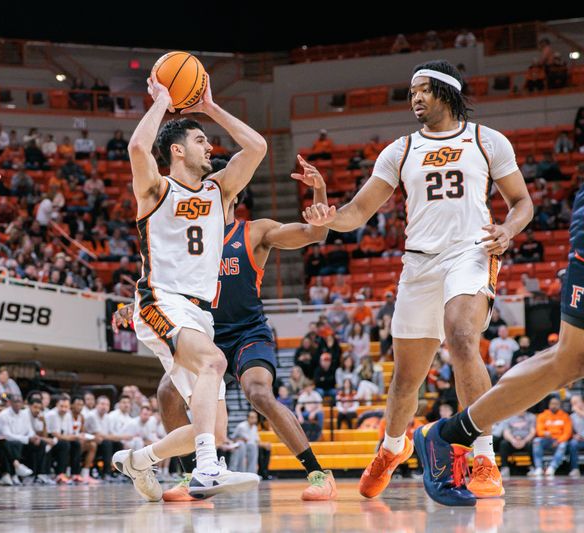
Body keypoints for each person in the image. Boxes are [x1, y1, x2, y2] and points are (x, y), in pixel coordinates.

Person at [304, 60, 533, 502]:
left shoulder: (486, 140)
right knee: (406, 379)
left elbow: (521, 202)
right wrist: (326, 213)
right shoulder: (401, 149)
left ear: (446, 92)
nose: (415, 99)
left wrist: (508, 230)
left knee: (462, 335)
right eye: (411, 93)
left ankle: (483, 454)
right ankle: (392, 448)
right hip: (418, 263)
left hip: (470, 251)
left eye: (422, 90)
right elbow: (357, 212)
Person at [114, 155, 336, 501]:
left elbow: (314, 233)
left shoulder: (254, 231)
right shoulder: (187, 231)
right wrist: (135, 305)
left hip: (247, 332)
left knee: (259, 393)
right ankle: (192, 475)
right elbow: (163, 280)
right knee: (166, 393)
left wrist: (319, 193)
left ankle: (318, 473)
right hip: (204, 332)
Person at [110, 70, 266, 501]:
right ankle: (207, 471)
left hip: (199, 311)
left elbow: (257, 147)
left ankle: (139, 460)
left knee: (212, 429)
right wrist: (162, 99)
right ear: (177, 151)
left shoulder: (220, 191)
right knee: (214, 363)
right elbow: (139, 146)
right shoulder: (156, 189)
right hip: (160, 300)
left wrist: (209, 107)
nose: (211, 146)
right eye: (201, 140)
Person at [528, 396, 572, 478]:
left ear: (560, 405)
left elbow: (567, 433)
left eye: (556, 404)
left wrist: (558, 441)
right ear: (549, 405)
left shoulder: (565, 416)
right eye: (552, 404)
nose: (554, 406)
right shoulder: (542, 415)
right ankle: (539, 468)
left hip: (559, 440)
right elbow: (539, 430)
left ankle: (552, 467)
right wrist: (544, 434)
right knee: (536, 441)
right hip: (546, 440)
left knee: (563, 445)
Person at [497, 409, 535, 478]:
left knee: (533, 444)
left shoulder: (531, 417)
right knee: (503, 444)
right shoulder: (508, 417)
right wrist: (513, 440)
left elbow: (532, 432)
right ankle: (505, 468)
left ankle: (533, 467)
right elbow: (506, 432)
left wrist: (524, 440)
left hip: (526, 441)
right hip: (513, 441)